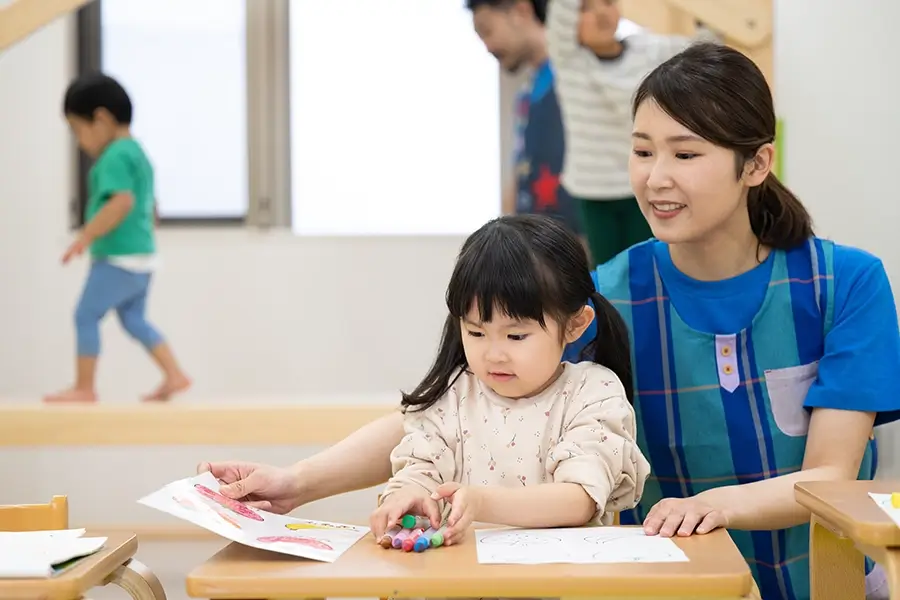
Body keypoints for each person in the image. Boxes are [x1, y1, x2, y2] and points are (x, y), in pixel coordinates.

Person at [199, 44, 900, 600]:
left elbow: (831, 475)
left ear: (757, 164)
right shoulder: (608, 292)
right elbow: (454, 403)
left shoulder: (846, 284)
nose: (656, 177)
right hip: (665, 589)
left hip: (825, 583)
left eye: (686, 154)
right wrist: (297, 482)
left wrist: (714, 504)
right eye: (642, 149)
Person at [369, 215, 650, 545]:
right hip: (460, 583)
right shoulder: (454, 394)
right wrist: (406, 496)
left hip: (559, 585)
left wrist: (481, 502)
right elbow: (421, 467)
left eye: (516, 336)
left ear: (575, 325)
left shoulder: (592, 393)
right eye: (476, 332)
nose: (493, 354)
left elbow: (579, 499)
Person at [45, 73, 191, 403]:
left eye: (77, 130)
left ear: (101, 119)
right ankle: (175, 374)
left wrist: (84, 237)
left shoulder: (113, 157)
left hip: (118, 258)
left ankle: (84, 387)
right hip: (144, 258)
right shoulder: (139, 153)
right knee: (134, 319)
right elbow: (149, 206)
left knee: (85, 315)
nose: (79, 142)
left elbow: (121, 202)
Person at [546, 0, 709, 266]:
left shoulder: (646, 49)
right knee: (608, 271)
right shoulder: (570, 60)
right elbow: (561, 10)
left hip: (643, 183)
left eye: (607, 2)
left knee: (650, 263)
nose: (600, 12)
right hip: (594, 190)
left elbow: (703, 46)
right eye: (586, 7)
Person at [469, 0, 583, 237]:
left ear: (521, 10)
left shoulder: (575, 76)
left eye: (487, 30)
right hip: (537, 245)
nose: (487, 46)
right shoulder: (527, 93)